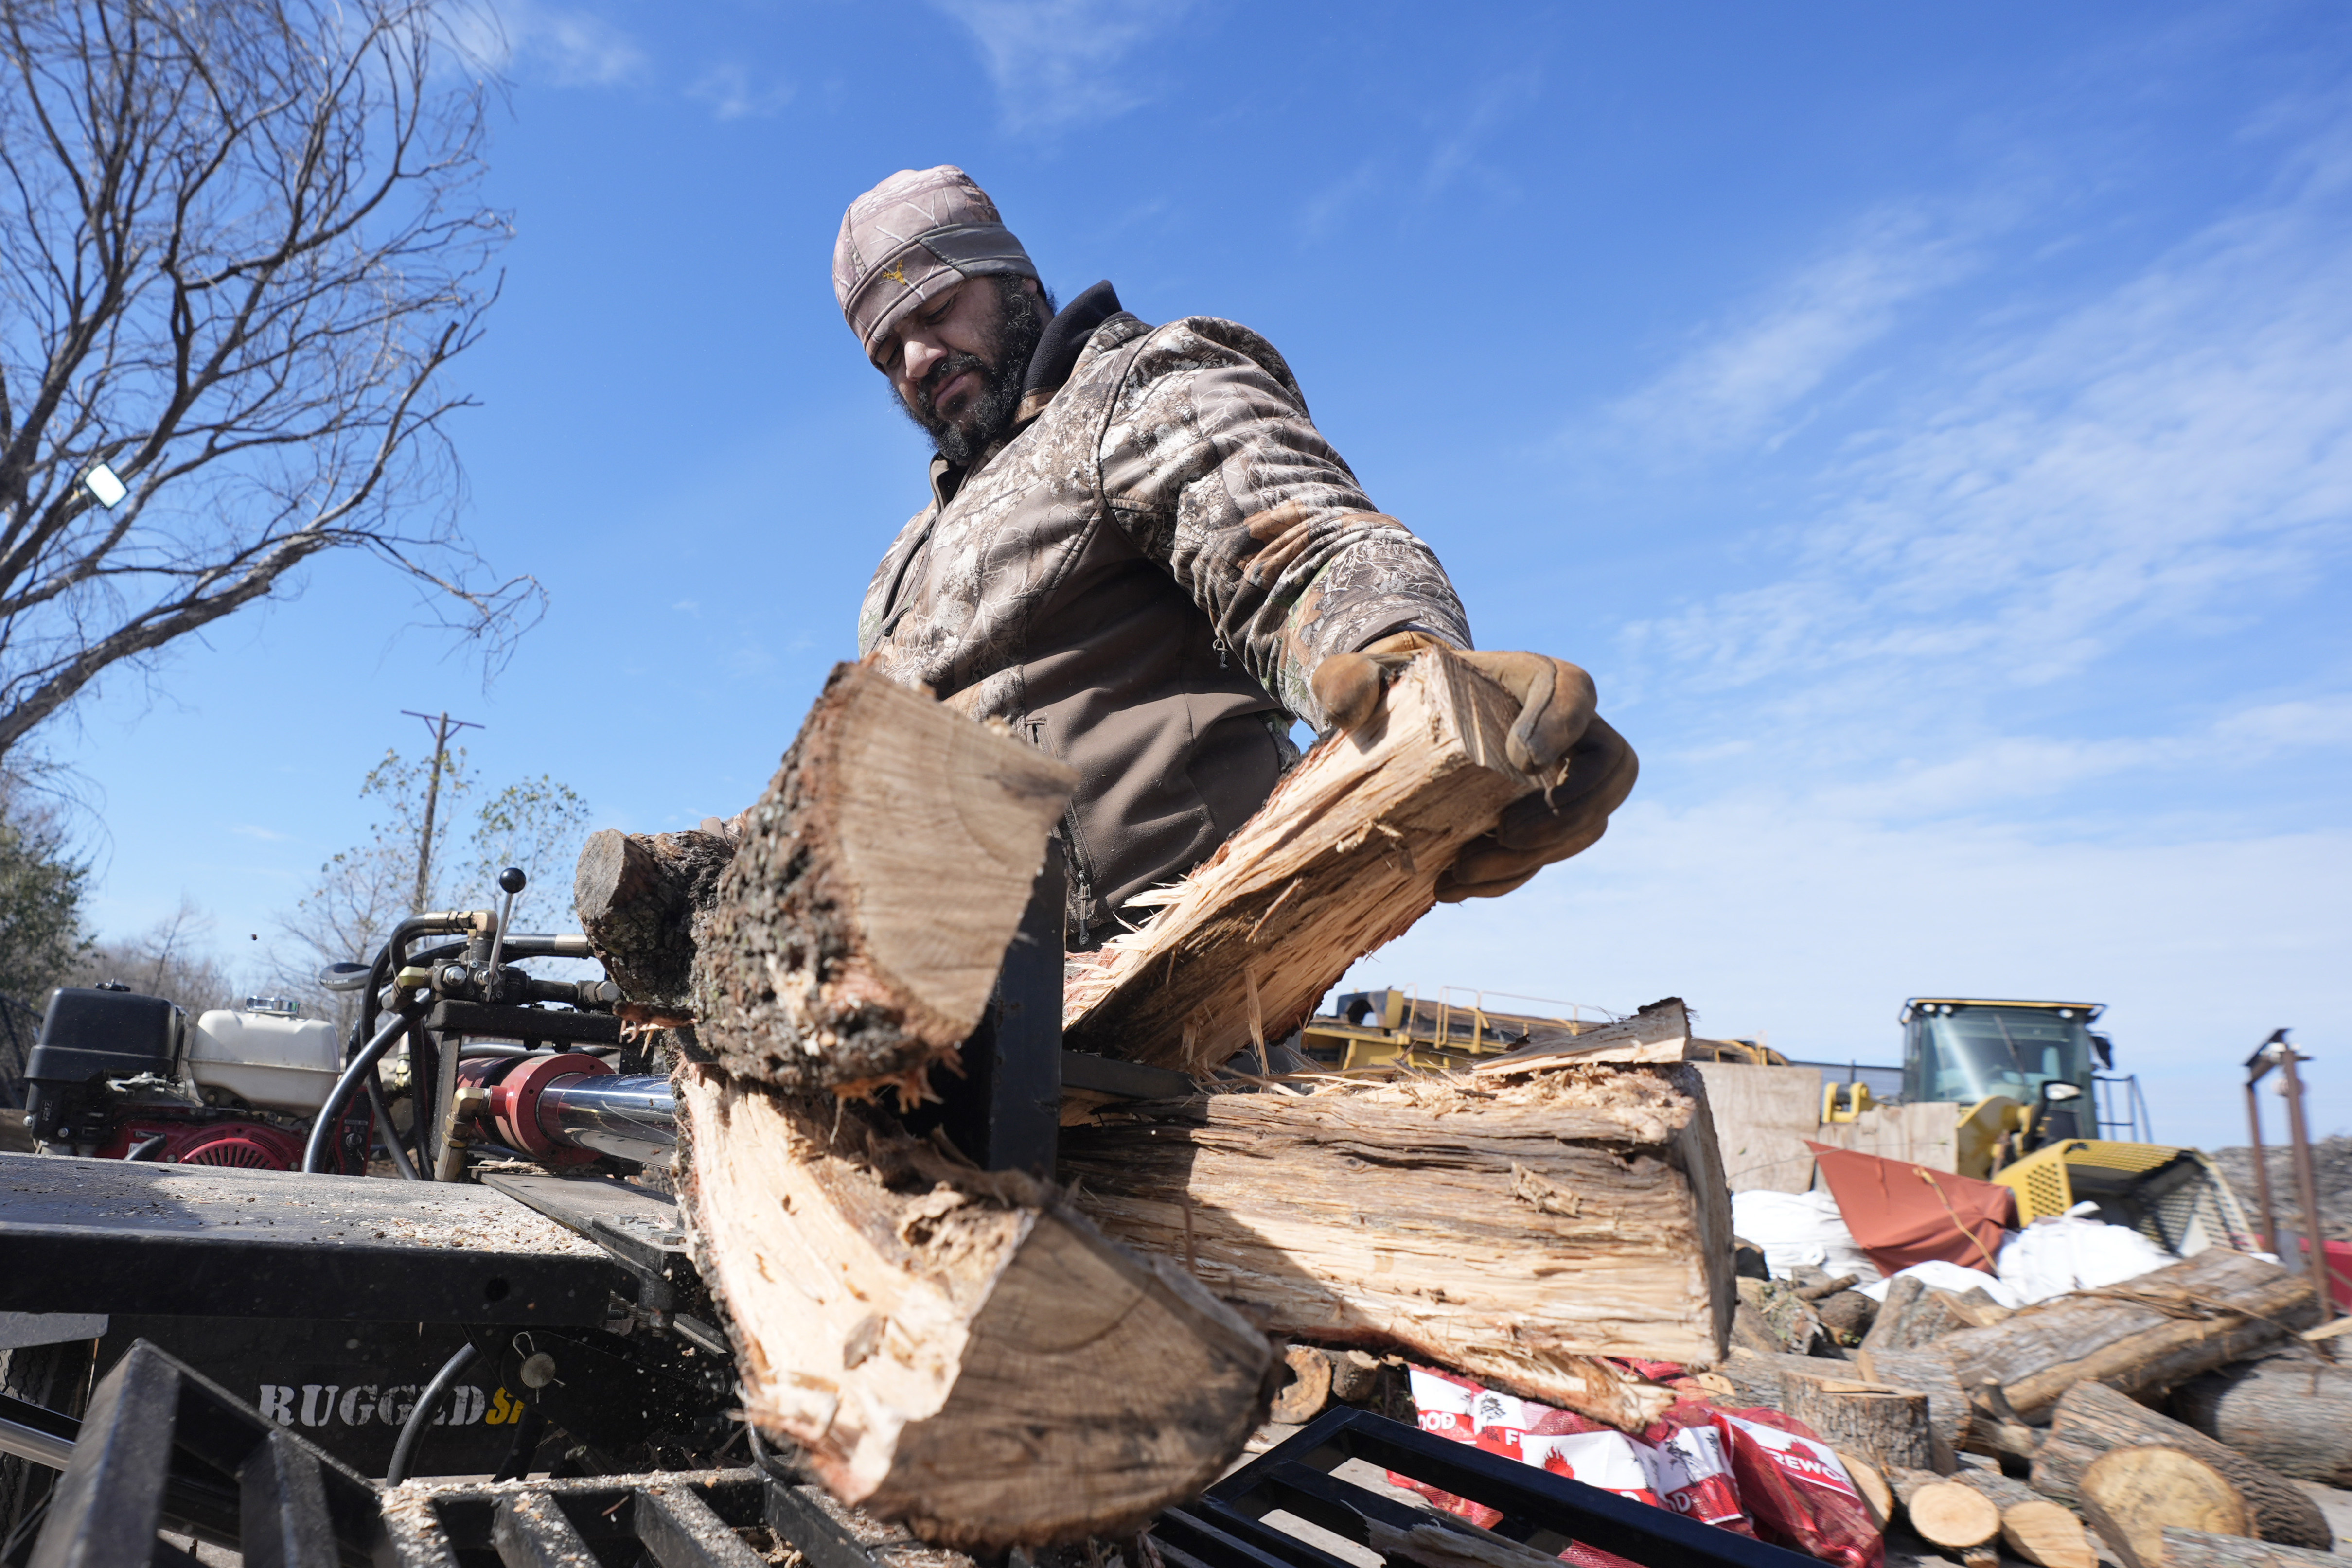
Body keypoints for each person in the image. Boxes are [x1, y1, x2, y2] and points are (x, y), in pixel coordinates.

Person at [837, 166, 1636, 947]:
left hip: (1168, 1003)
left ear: (1014, 281)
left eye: (936, 309)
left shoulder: (1130, 394)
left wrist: (1408, 667)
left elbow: (1297, 552)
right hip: (959, 1042)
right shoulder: (900, 569)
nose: (917, 359)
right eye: (888, 353)